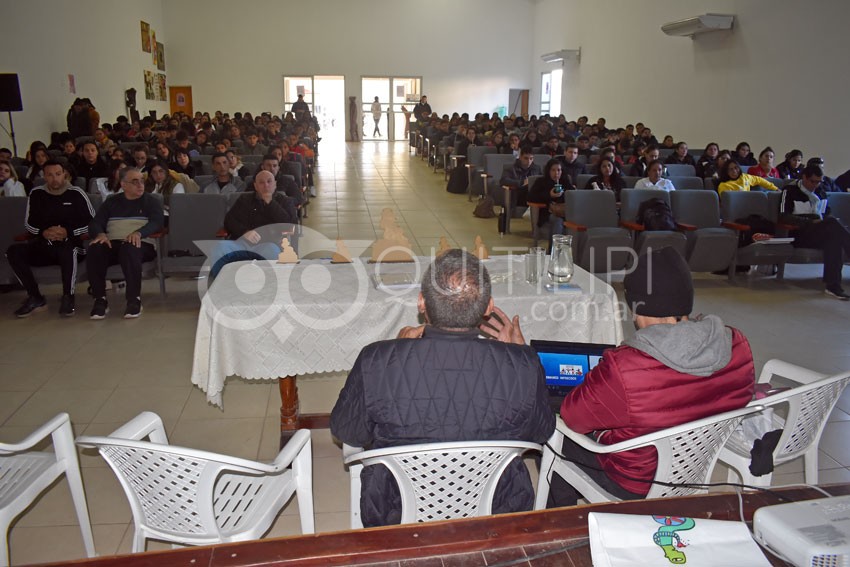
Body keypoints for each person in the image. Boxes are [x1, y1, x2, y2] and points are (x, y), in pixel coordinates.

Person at [330, 249, 555, 527]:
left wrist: (396, 352)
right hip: (498, 508)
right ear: (488, 307)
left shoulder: (375, 360)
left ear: (421, 302)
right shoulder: (524, 363)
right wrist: (519, 356)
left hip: (394, 510)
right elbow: (542, 432)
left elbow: (347, 430)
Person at [541, 247, 754, 506]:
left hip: (634, 482)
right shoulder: (736, 344)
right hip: (695, 468)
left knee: (556, 433)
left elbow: (573, 418)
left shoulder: (626, 365)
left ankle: (559, 522)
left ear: (635, 308)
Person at [6, 160, 94, 317]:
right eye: (50, 175)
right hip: (44, 244)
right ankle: (35, 296)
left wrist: (68, 232)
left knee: (68, 247)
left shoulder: (76, 193)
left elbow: (92, 223)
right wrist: (43, 232)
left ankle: (68, 296)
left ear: (64, 174)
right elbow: (29, 225)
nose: (55, 179)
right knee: (13, 251)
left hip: (71, 244)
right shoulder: (36, 194)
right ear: (44, 176)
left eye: (58, 174)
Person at [87, 167, 164, 319]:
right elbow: (95, 223)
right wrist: (100, 234)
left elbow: (157, 223)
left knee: (129, 248)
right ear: (123, 184)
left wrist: (139, 233)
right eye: (135, 182)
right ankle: (100, 299)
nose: (140, 185)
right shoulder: (111, 202)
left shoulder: (151, 201)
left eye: (142, 181)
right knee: (96, 248)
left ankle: (134, 300)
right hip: (114, 243)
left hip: (141, 244)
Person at [780, 164, 850, 300]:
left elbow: (827, 212)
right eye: (813, 181)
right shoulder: (790, 190)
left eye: (819, 182)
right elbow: (783, 216)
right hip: (799, 233)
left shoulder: (821, 192)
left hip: (820, 232)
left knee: (833, 239)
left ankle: (833, 286)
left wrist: (821, 221)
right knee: (832, 224)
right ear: (804, 177)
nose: (816, 185)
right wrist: (810, 221)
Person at [210, 170, 297, 274]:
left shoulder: (285, 201)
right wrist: (244, 232)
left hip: (269, 244)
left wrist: (270, 203)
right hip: (242, 244)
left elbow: (289, 225)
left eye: (269, 181)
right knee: (220, 247)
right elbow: (229, 221)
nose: (266, 185)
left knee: (272, 252)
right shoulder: (244, 200)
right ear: (255, 186)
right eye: (261, 182)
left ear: (275, 184)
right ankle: (218, 285)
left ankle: (273, 285)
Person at [529, 158, 572, 230]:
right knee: (558, 221)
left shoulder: (565, 181)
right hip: (548, 212)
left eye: (559, 170)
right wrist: (549, 195)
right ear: (548, 171)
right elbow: (530, 197)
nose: (556, 173)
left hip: (565, 211)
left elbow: (572, 196)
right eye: (553, 170)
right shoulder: (541, 181)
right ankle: (556, 241)